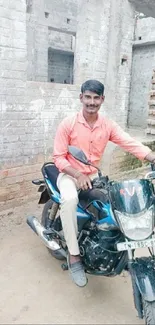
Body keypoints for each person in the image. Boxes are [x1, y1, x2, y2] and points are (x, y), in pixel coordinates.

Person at [53, 79, 155, 287]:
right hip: (70, 174)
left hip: (93, 176)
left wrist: (152, 157)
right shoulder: (68, 123)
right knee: (70, 201)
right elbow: (58, 158)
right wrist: (77, 174)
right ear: (81, 98)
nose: (91, 102)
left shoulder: (107, 125)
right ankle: (74, 256)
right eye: (88, 97)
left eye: (96, 97)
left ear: (102, 99)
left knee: (114, 206)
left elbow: (129, 142)